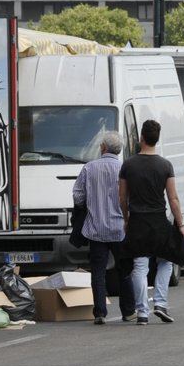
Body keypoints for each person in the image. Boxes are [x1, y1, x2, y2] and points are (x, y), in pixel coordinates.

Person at [119, 118, 184, 325]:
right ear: (156, 139)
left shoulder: (128, 165)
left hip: (137, 220)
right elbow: (173, 199)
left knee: (140, 266)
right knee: (166, 260)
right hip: (158, 219)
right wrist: (181, 225)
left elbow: (122, 197)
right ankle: (160, 303)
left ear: (141, 138)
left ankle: (142, 312)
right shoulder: (165, 165)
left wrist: (126, 219)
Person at [71, 132, 134, 325]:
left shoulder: (89, 169)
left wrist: (90, 203)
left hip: (96, 229)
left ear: (103, 148)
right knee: (124, 271)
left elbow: (78, 196)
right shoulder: (125, 169)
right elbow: (131, 198)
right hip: (119, 229)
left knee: (98, 272)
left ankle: (100, 312)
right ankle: (128, 311)